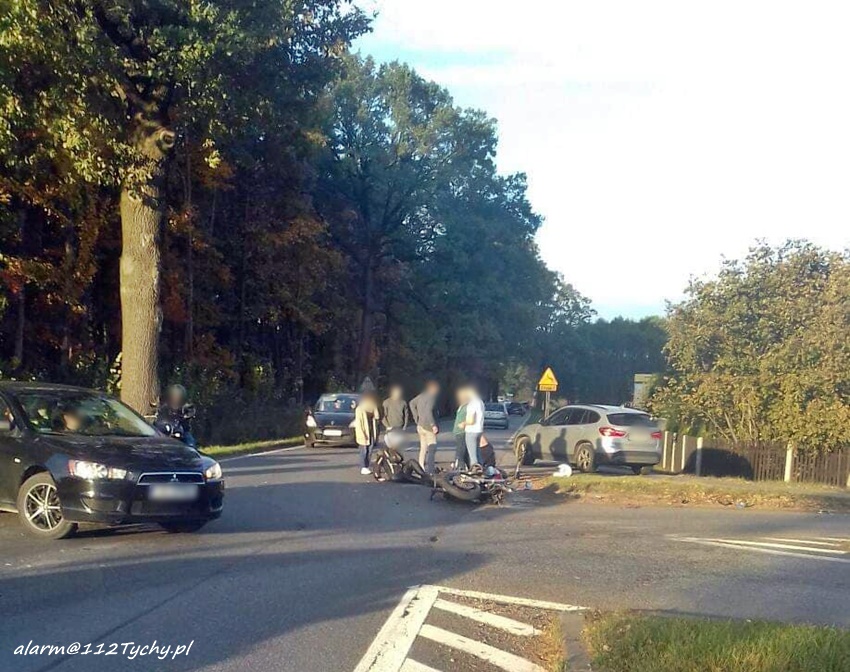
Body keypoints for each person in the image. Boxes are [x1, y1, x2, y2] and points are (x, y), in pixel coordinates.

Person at [409, 379, 440, 474]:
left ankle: (421, 467)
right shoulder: (432, 398)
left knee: (423, 448)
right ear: (433, 389)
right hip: (428, 427)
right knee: (432, 447)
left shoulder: (421, 396)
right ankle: (431, 469)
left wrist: (416, 417)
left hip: (420, 425)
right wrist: (433, 425)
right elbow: (428, 411)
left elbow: (411, 403)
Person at [156, 384, 197, 448]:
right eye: (174, 396)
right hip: (167, 430)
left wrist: (186, 415)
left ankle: (191, 451)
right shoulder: (165, 407)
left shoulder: (186, 407)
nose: (175, 398)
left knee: (190, 441)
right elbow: (159, 416)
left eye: (177, 397)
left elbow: (191, 411)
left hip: (182, 431)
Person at [354, 393, 381, 475]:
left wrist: (375, 408)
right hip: (363, 432)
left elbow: (377, 417)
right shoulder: (359, 409)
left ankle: (367, 466)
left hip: (371, 432)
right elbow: (359, 423)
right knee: (364, 451)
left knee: (370, 450)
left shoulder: (372, 407)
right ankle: (363, 467)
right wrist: (362, 434)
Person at [461, 384, 485, 468]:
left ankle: (475, 470)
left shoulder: (472, 403)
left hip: (471, 430)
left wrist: (463, 423)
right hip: (479, 430)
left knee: (472, 455)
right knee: (478, 452)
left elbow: (471, 420)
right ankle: (481, 468)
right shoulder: (480, 402)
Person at [452, 388, 470, 469]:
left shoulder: (467, 406)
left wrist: (464, 423)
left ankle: (461, 466)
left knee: (461, 450)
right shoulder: (462, 405)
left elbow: (470, 418)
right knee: (461, 450)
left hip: (462, 431)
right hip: (458, 431)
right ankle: (463, 465)